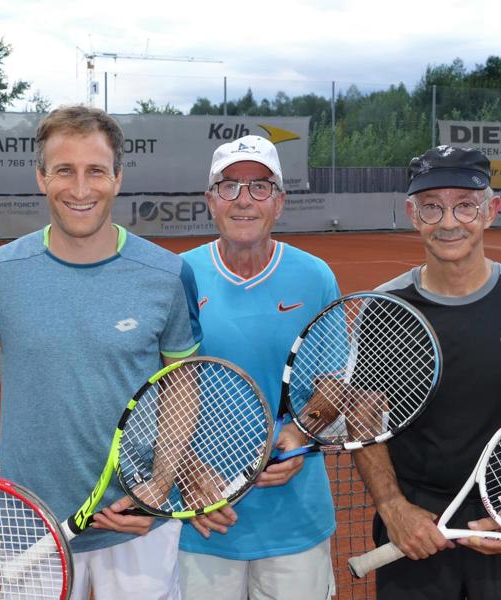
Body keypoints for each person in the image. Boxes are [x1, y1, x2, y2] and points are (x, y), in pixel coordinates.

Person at [0, 105, 202, 600]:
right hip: (28, 522)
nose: (80, 189)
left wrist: (158, 489)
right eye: (64, 171)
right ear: (41, 177)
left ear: (117, 178)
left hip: (137, 520)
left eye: (96, 170)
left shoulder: (167, 274)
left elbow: (182, 384)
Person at [352, 145, 501, 600]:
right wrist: (392, 508)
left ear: (491, 211)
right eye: (432, 207)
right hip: (414, 529)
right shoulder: (383, 309)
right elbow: (363, 419)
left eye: (465, 205)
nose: (448, 222)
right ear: (412, 213)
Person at [177, 135, 339, 599]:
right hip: (201, 519)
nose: (244, 199)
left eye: (260, 187)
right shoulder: (176, 275)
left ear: (279, 202)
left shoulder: (315, 277)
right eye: (229, 186)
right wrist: (186, 472)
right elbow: (157, 394)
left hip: (295, 522)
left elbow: (330, 385)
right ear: (211, 201)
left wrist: (303, 432)